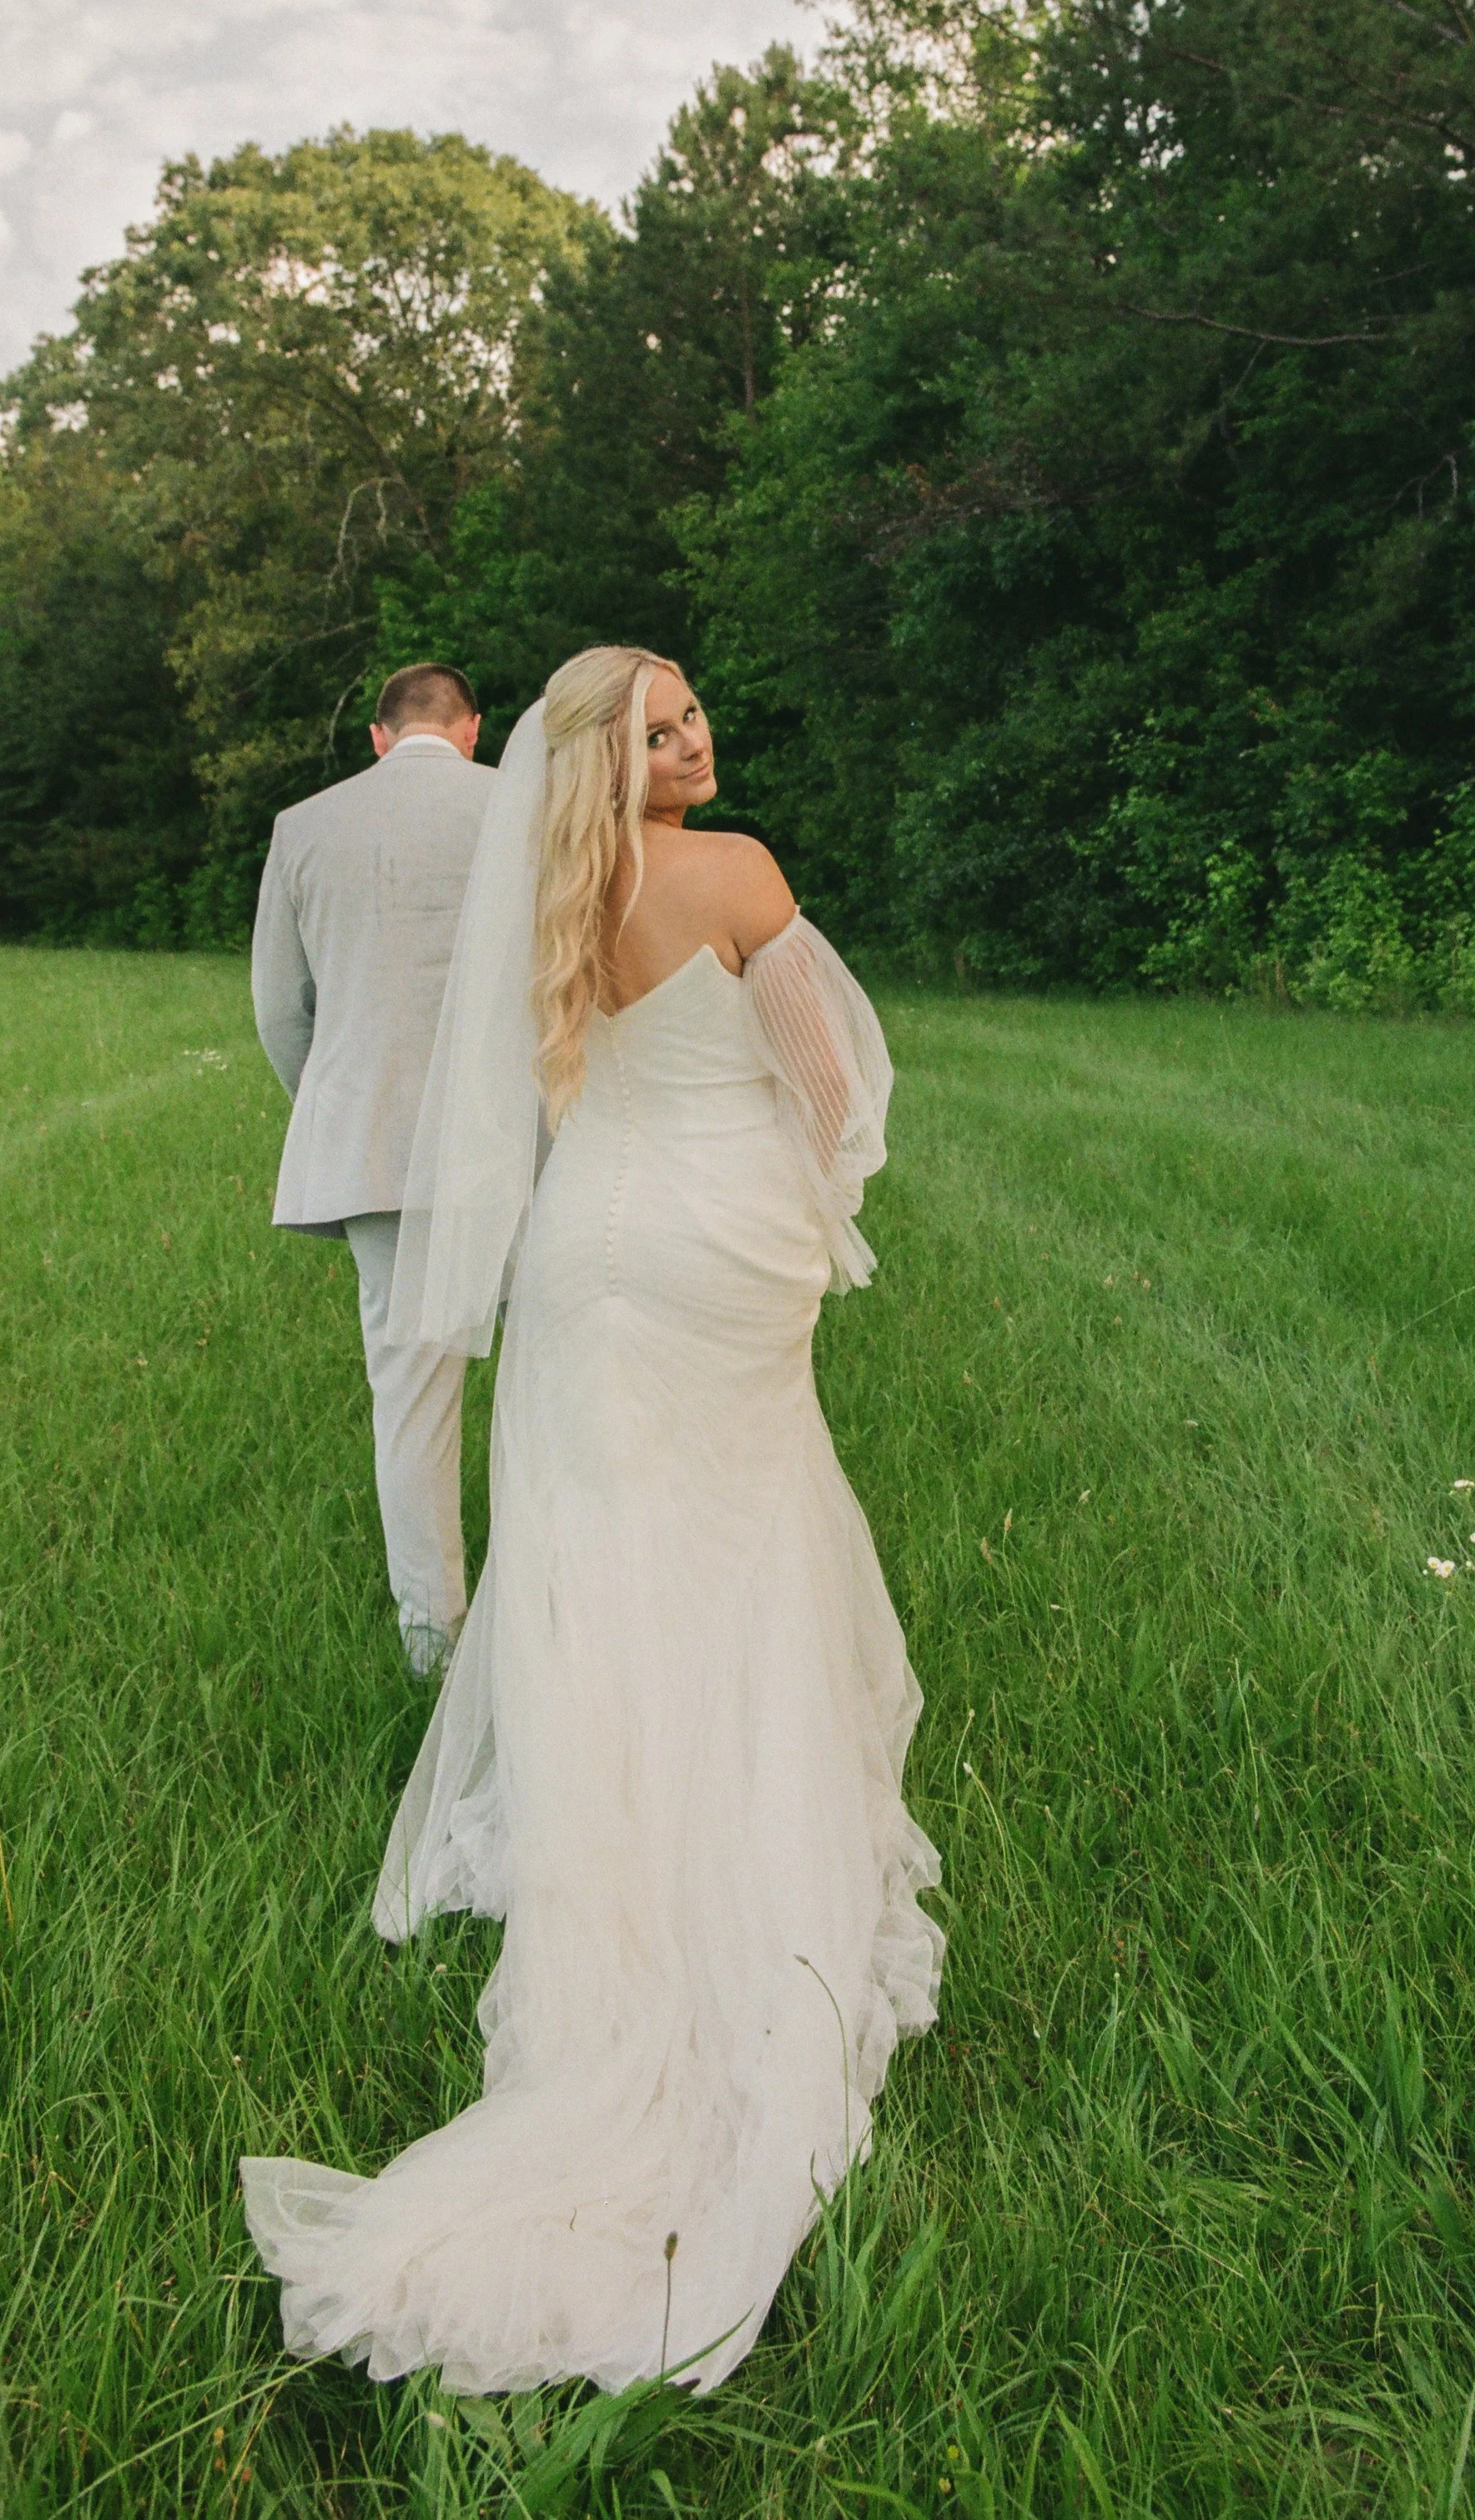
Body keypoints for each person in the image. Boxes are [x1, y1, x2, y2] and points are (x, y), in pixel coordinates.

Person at [241, 647, 941, 2394]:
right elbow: (833, 1090)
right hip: (712, 1253)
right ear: (610, 756)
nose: (694, 738)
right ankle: (741, 1843)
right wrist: (810, 1212)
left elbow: (543, 1101)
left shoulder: (551, 888)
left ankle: (600, 1840)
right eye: (660, 727)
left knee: (585, 1568)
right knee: (734, 1552)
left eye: (694, 711)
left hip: (580, 1261)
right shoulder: (740, 871)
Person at [250, 662, 496, 1674]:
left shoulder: (305, 825)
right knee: (549, 1377)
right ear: (473, 729)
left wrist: (343, 1104)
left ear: (379, 735)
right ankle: (564, 1612)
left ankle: (433, 1644)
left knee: (411, 1403)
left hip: (377, 1148)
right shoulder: (514, 807)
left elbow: (279, 1009)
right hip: (518, 1143)